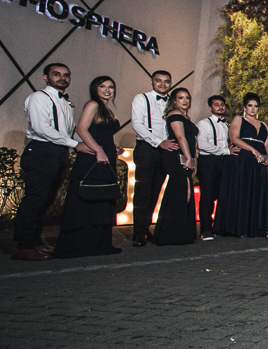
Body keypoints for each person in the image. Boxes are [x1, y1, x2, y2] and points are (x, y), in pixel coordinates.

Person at [13, 63, 80, 260]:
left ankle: (35, 242)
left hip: (59, 152)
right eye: (56, 74)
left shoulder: (66, 103)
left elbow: (69, 131)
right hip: (42, 151)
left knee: (46, 200)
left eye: (66, 75)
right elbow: (42, 128)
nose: (62, 78)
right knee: (34, 199)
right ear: (45, 77)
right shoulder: (38, 98)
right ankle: (24, 246)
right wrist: (75, 144)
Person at [54, 75, 123, 259]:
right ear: (95, 89)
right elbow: (81, 130)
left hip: (105, 157)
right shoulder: (92, 105)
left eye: (111, 87)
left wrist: (113, 147)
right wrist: (99, 150)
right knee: (88, 197)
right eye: (103, 86)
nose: (107, 90)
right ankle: (79, 245)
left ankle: (99, 244)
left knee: (102, 198)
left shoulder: (107, 110)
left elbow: (102, 133)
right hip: (93, 158)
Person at [216, 93, 268, 238]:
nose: (253, 109)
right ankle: (241, 226)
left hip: (260, 159)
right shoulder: (238, 119)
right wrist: (253, 149)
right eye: (250, 106)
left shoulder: (263, 125)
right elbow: (234, 138)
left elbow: (267, 143)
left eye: (255, 106)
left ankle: (267, 226)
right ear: (244, 107)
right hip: (243, 158)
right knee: (244, 189)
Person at [130, 70, 177, 247]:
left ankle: (145, 227)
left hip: (166, 150)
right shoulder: (141, 99)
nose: (163, 84)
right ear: (152, 82)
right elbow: (137, 124)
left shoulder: (172, 102)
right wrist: (159, 142)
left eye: (166, 81)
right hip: (147, 148)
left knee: (156, 189)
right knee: (143, 190)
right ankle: (138, 232)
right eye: (159, 81)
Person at [153, 88, 199, 246]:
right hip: (177, 157)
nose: (185, 101)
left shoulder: (185, 116)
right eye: (181, 98)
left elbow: (192, 140)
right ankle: (171, 233)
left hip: (186, 156)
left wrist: (194, 159)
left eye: (187, 98)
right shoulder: (174, 114)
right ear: (174, 101)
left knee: (184, 192)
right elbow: (180, 137)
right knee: (180, 192)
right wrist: (188, 158)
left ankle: (180, 232)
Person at [195, 94, 232, 240]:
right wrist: (226, 151)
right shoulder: (203, 123)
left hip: (224, 161)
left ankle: (219, 226)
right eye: (216, 104)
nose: (220, 107)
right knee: (207, 196)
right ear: (210, 108)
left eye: (222, 104)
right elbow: (202, 144)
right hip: (208, 161)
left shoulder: (227, 125)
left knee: (222, 194)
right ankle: (205, 229)